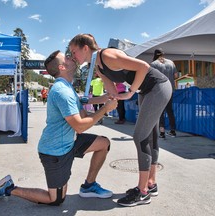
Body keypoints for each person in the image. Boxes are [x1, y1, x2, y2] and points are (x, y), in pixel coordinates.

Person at [0, 50, 117, 206]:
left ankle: (89, 186)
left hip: (69, 142)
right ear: (62, 67)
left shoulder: (67, 87)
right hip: (55, 151)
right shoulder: (61, 91)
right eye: (67, 58)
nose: (72, 57)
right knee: (56, 199)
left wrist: (102, 99)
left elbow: (83, 113)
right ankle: (10, 188)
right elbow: (80, 126)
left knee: (103, 143)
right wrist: (105, 108)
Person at [69, 33, 172, 207]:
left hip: (158, 87)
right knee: (150, 136)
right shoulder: (98, 67)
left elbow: (143, 66)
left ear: (85, 48)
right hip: (146, 91)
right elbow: (112, 94)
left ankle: (142, 193)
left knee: (140, 137)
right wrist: (86, 100)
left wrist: (131, 91)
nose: (72, 56)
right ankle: (150, 183)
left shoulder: (107, 55)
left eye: (73, 51)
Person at [151, 48, 178, 138]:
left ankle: (162, 132)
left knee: (160, 112)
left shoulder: (154, 64)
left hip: (160, 90)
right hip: (170, 89)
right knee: (170, 111)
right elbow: (176, 75)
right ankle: (173, 131)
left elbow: (152, 78)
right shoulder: (171, 62)